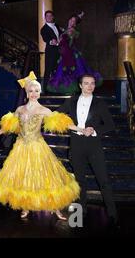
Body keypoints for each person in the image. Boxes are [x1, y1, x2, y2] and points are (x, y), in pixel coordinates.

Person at [0, 71, 80, 220]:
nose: (34, 93)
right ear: (27, 92)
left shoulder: (44, 110)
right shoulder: (20, 110)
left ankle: (55, 207)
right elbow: (9, 126)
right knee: (23, 176)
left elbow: (62, 122)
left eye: (37, 91)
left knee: (46, 177)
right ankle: (25, 206)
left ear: (40, 92)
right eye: (31, 91)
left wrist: (80, 129)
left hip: (37, 147)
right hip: (21, 147)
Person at [57, 74, 118, 225]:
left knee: (103, 180)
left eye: (92, 83)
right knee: (79, 181)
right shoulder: (71, 101)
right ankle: (80, 213)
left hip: (94, 145)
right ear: (80, 85)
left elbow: (110, 124)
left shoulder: (99, 103)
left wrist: (95, 129)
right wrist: (73, 127)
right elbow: (57, 116)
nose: (90, 86)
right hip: (76, 144)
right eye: (86, 83)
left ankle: (112, 214)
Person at [47, 13, 103, 94]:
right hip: (64, 54)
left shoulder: (71, 31)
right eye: (71, 20)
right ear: (69, 20)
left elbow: (69, 42)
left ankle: (73, 88)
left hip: (70, 54)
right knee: (63, 72)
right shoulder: (65, 30)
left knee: (74, 71)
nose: (72, 22)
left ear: (75, 24)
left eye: (74, 21)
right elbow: (61, 42)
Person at [40, 10, 62, 92]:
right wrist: (51, 41)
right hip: (50, 51)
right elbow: (46, 38)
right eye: (47, 16)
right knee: (48, 70)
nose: (48, 17)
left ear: (53, 17)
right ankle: (45, 89)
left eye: (50, 16)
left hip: (59, 51)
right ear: (45, 18)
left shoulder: (57, 26)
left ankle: (56, 87)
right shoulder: (43, 29)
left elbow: (61, 34)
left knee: (57, 69)